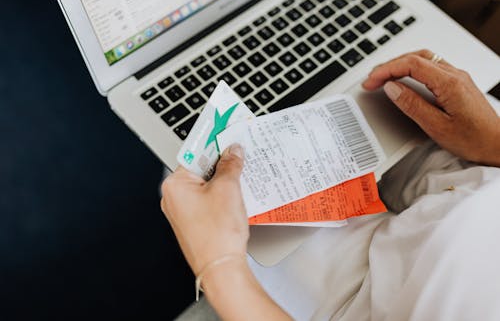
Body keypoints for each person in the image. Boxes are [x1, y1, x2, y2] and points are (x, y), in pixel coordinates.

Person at [161, 50, 500, 320]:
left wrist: (219, 267)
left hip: (374, 300)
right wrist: (493, 143)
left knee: (182, 170)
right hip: (485, 179)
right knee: (376, 99)